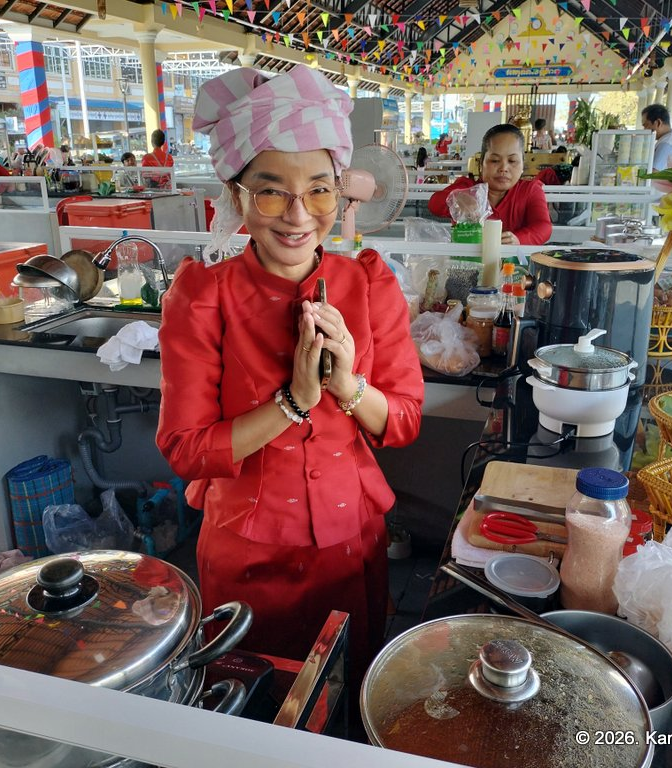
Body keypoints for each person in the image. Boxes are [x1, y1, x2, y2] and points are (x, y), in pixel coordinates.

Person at [155, 65, 424, 687]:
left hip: (350, 543)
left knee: (348, 692)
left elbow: (405, 420)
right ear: (237, 196)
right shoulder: (202, 297)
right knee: (251, 699)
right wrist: (293, 401)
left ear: (340, 194)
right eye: (272, 190)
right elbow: (185, 450)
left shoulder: (371, 284)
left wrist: (347, 386)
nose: (299, 215)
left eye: (321, 190)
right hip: (247, 558)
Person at [428, 124, 552, 245]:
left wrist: (519, 239)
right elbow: (434, 204)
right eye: (495, 160)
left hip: (514, 265)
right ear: (481, 163)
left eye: (512, 161)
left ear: (522, 166)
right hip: (469, 264)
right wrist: (456, 199)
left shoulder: (530, 191)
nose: (504, 168)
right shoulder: (467, 187)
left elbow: (543, 227)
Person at [640, 104, 672, 172]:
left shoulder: (667, 143)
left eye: (646, 125)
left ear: (658, 123)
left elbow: (654, 173)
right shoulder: (669, 138)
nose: (645, 130)